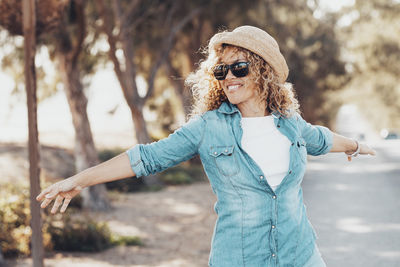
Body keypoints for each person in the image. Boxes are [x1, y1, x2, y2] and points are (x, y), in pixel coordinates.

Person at [37, 25, 376, 266]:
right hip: (239, 259)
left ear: (264, 72)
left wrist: (355, 146)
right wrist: (79, 180)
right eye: (221, 70)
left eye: (239, 67)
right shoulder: (207, 128)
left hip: (301, 255)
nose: (229, 76)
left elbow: (321, 138)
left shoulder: (290, 122)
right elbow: (147, 158)